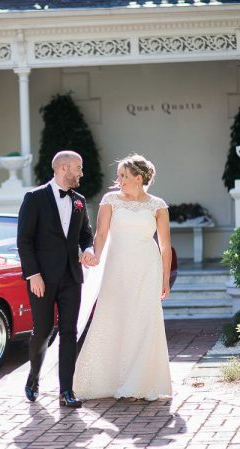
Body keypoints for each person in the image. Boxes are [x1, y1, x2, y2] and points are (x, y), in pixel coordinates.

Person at [73, 154, 173, 401]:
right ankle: (109, 380)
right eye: (118, 175)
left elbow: (165, 245)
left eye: (123, 176)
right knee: (114, 318)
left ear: (139, 179)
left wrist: (164, 279)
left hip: (147, 269)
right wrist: (93, 255)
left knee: (145, 322)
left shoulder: (157, 205)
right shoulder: (110, 201)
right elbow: (101, 234)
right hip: (117, 268)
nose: (118, 180)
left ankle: (138, 384)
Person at [17, 150, 96, 408]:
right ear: (64, 168)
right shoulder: (34, 198)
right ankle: (33, 378)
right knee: (42, 330)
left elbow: (86, 234)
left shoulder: (80, 201)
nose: (82, 173)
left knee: (69, 332)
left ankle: (66, 391)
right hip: (42, 277)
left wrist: (88, 249)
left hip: (72, 276)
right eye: (79, 168)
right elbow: (24, 240)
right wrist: (33, 275)